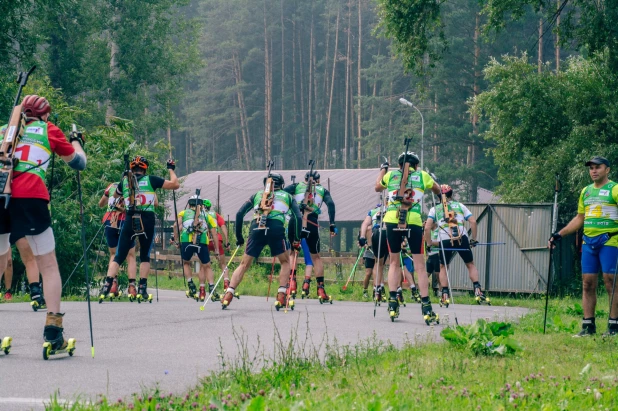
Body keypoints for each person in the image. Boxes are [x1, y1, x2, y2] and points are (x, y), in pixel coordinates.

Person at [0, 94, 87, 351]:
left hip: (0, 195)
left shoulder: (5, 130)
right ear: (45, 115)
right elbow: (78, 163)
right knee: (47, 264)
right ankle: (53, 333)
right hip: (30, 197)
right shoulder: (48, 129)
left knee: (2, 256)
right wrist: (76, 142)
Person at [549, 156, 618, 337]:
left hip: (610, 241)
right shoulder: (586, 192)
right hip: (589, 242)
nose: (594, 171)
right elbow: (580, 218)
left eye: (598, 167)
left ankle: (614, 326)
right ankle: (588, 326)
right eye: (591, 168)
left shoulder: (615, 189)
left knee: (611, 281)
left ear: (607, 170)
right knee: (587, 283)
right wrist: (559, 234)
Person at [375, 151, 441, 322]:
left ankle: (392, 303)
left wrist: (383, 170)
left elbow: (377, 187)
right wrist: (434, 186)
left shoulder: (390, 175)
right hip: (413, 221)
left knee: (394, 262)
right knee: (419, 266)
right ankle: (426, 306)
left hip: (391, 219)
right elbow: (438, 189)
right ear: (416, 165)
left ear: (399, 165)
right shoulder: (422, 175)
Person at [103, 155, 179, 302]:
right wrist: (171, 169)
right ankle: (142, 288)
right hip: (147, 218)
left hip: (130, 217)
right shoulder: (151, 180)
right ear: (145, 169)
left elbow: (114, 195)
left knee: (119, 255)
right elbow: (175, 184)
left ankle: (107, 284)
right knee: (144, 255)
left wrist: (125, 185)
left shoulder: (125, 181)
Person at [223, 173, 302, 309]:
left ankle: (228, 294)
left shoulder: (257, 195)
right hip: (276, 229)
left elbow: (239, 214)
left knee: (244, 264)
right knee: (284, 262)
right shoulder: (287, 196)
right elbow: (298, 217)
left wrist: (239, 238)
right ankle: (281, 295)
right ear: (282, 185)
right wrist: (296, 239)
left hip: (256, 228)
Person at [424, 184, 487, 306]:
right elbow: (473, 221)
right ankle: (478, 290)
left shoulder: (435, 209)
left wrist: (429, 243)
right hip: (461, 237)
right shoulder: (460, 206)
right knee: (470, 264)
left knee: (443, 267)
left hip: (445, 238)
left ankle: (445, 293)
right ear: (451, 194)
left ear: (438, 197)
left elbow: (427, 228)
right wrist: (473, 239)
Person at [284, 170, 336, 303]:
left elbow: (282, 193)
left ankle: (292, 283)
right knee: (316, 257)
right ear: (318, 180)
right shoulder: (322, 190)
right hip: (312, 222)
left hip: (295, 220)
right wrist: (332, 224)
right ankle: (320, 289)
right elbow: (330, 204)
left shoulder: (296, 186)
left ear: (305, 179)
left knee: (292, 253)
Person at [175, 195, 219, 301]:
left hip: (186, 241)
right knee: (207, 266)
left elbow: (175, 226)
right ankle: (212, 288)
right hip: (202, 241)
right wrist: (216, 250)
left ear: (189, 204)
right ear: (201, 205)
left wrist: (176, 240)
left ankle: (191, 284)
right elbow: (214, 233)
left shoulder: (183, 213)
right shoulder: (207, 215)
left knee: (186, 262)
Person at [97, 182, 137, 299]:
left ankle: (113, 284)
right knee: (130, 255)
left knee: (114, 254)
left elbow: (101, 204)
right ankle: (132, 287)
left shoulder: (111, 186)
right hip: (126, 221)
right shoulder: (132, 186)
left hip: (110, 221)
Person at [202, 199, 233, 293]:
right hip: (217, 240)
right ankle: (226, 283)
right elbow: (223, 227)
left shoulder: (199, 214)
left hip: (205, 241)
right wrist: (227, 241)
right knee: (223, 264)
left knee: (204, 266)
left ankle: (204, 288)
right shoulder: (215, 215)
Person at [425, 228, 441, 296]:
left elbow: (440, 243)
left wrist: (430, 242)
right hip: (430, 256)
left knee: (438, 275)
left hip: (437, 255)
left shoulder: (438, 230)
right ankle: (424, 292)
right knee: (425, 276)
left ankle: (441, 291)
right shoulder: (428, 231)